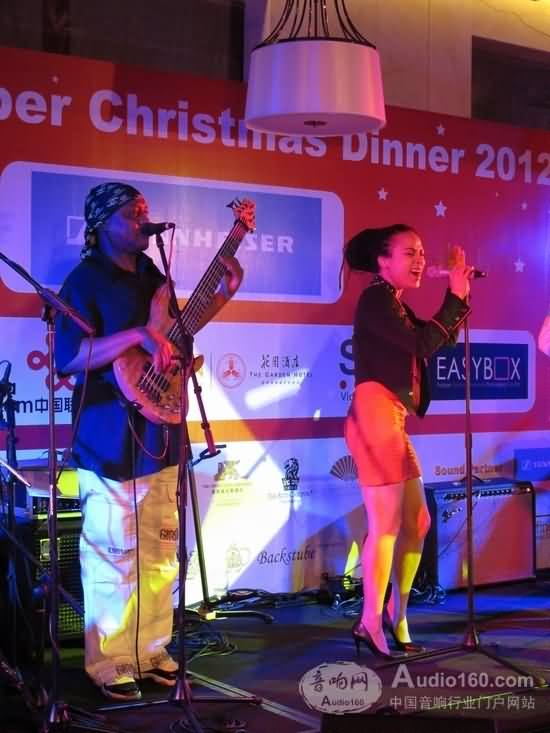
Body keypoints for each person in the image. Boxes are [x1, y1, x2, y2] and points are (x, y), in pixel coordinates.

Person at [54, 182, 243, 700]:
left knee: (160, 552)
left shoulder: (154, 275)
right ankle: (110, 661)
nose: (143, 219)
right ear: (102, 224)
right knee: (113, 556)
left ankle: (151, 650)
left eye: (145, 210)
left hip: (159, 429)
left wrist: (223, 295)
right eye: (131, 212)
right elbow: (70, 357)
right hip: (109, 438)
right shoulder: (85, 280)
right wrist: (137, 337)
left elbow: (178, 333)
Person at [344, 224, 472, 658]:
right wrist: (454, 297)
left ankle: (396, 615)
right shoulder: (376, 300)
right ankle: (369, 621)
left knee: (417, 521)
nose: (420, 261)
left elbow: (438, 339)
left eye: (421, 253)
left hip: (392, 418)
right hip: (374, 415)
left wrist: (460, 296)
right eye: (409, 253)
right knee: (386, 525)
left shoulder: (394, 302)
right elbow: (422, 342)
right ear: (383, 261)